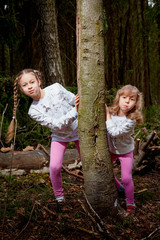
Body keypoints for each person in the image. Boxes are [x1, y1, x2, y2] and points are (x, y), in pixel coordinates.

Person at [7, 69, 80, 203]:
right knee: (54, 167)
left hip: (79, 131)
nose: (29, 86)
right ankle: (59, 197)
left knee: (90, 161)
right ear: (21, 90)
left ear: (39, 82)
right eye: (24, 85)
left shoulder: (56, 88)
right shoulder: (33, 111)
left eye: (32, 82)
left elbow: (73, 99)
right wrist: (74, 111)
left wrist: (77, 104)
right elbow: (57, 125)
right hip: (60, 136)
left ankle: (115, 184)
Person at [105, 85, 143, 215]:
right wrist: (108, 114)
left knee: (126, 178)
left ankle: (130, 201)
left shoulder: (131, 120)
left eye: (131, 99)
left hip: (126, 152)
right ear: (119, 98)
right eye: (124, 97)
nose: (127, 101)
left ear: (136, 103)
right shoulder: (112, 112)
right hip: (111, 150)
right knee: (105, 168)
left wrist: (107, 116)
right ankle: (118, 187)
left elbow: (114, 132)